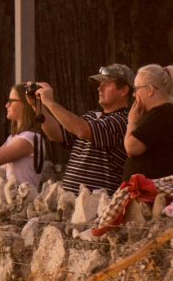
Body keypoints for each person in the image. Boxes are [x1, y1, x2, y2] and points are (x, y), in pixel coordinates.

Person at [36, 63, 134, 195]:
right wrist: (38, 107)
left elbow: (82, 131)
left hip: (96, 205)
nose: (99, 89)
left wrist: (50, 102)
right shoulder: (91, 116)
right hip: (71, 203)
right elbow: (55, 134)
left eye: (106, 84)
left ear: (123, 90)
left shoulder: (124, 120)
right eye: (100, 85)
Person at [124, 64, 173, 180]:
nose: (134, 94)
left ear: (150, 90)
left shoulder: (161, 115)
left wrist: (132, 122)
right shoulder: (165, 113)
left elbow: (132, 147)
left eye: (136, 89)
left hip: (155, 192)